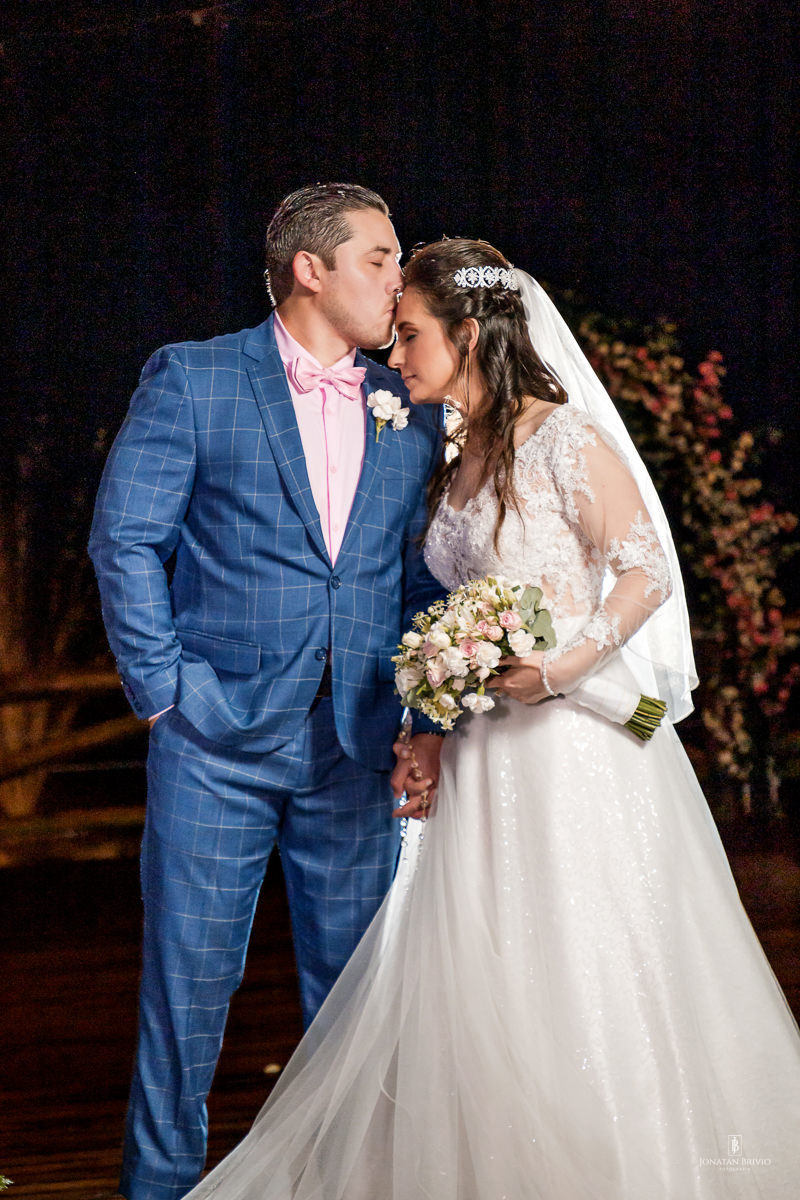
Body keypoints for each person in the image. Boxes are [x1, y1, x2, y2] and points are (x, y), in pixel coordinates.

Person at [181, 238, 800, 1199]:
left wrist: (564, 667)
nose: (394, 354)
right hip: (480, 758)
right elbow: (450, 605)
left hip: (571, 752)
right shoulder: (453, 453)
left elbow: (646, 571)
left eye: (411, 336)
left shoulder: (564, 437)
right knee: (479, 967)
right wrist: (431, 721)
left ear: (468, 335)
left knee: (576, 952)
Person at [88, 184, 445, 1200]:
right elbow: (126, 541)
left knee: (354, 1004)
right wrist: (166, 694)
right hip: (215, 742)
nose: (399, 277)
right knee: (187, 996)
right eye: (379, 257)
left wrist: (419, 718)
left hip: (356, 747)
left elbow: (421, 581)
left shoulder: (408, 407)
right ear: (309, 269)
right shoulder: (195, 378)